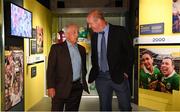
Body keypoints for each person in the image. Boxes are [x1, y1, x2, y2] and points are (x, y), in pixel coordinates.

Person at [86, 9, 134, 111]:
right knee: (104, 108)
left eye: (90, 24)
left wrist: (126, 72)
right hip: (101, 78)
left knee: (125, 107)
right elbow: (94, 56)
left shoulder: (120, 31)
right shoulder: (94, 35)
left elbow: (130, 53)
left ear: (98, 21)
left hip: (119, 76)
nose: (89, 26)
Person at [46, 23, 89, 111]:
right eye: (74, 32)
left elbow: (83, 67)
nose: (77, 35)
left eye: (77, 32)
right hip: (59, 88)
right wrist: (50, 87)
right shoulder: (56, 48)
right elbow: (50, 69)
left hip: (76, 88)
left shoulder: (82, 49)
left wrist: (81, 82)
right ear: (66, 34)